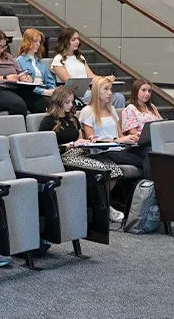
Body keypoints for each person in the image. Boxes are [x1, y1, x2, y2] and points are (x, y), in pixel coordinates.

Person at [40, 86, 125, 222]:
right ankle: (104, 207)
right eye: (67, 102)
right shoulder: (48, 121)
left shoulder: (73, 119)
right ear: (58, 101)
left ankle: (100, 203)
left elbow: (80, 139)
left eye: (72, 102)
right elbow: (46, 149)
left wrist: (88, 141)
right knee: (101, 170)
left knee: (114, 169)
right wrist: (71, 145)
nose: (70, 105)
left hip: (81, 153)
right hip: (64, 156)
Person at [79, 77, 148, 178]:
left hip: (119, 149)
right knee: (144, 161)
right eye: (106, 89)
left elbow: (120, 135)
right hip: (103, 152)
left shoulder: (111, 109)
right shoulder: (87, 111)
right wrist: (118, 140)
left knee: (149, 154)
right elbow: (92, 142)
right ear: (96, 91)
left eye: (111, 89)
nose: (110, 93)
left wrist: (129, 138)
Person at [0, 29, 48, 116]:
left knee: (41, 104)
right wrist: (5, 78)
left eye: (3, 47)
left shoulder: (7, 56)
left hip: (15, 89)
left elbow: (19, 71)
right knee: (18, 105)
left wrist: (24, 77)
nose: (1, 50)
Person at [51, 27, 126, 108]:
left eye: (78, 39)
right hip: (73, 94)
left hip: (88, 91)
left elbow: (92, 77)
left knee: (119, 97)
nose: (77, 42)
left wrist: (105, 79)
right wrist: (89, 86)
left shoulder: (80, 58)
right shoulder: (58, 59)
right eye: (73, 40)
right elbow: (70, 82)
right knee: (102, 95)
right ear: (65, 42)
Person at [16, 29, 56, 98]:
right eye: (35, 41)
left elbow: (50, 81)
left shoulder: (39, 62)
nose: (38, 44)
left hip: (45, 91)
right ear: (27, 42)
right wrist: (44, 92)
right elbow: (25, 86)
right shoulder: (19, 61)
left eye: (39, 42)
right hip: (33, 94)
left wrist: (53, 90)